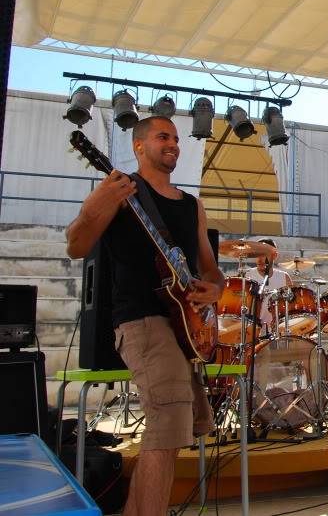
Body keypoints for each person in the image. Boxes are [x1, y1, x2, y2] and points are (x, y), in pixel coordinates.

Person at [66, 116, 225, 516]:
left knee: (175, 430)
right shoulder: (118, 190)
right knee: (170, 419)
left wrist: (216, 288)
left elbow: (208, 266)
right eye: (162, 137)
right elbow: (76, 244)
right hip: (140, 320)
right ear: (139, 146)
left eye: (175, 138)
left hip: (183, 327)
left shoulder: (192, 206)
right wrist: (92, 209)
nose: (172, 143)